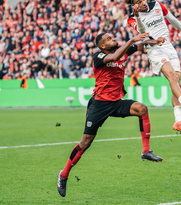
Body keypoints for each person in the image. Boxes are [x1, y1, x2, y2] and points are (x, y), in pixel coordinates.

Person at [57, 32, 165, 197]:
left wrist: (154, 41)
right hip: (99, 104)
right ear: (102, 46)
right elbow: (115, 57)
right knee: (85, 143)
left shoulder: (124, 51)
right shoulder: (98, 56)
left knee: (142, 109)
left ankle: (145, 151)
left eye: (113, 37)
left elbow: (141, 45)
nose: (113, 39)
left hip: (116, 102)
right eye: (109, 39)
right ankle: (63, 174)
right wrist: (130, 41)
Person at [123, 0, 181, 133]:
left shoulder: (157, 5)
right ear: (134, 6)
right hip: (154, 48)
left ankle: (178, 121)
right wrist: (137, 17)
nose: (143, 2)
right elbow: (143, 34)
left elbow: (172, 19)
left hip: (168, 46)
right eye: (138, 2)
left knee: (177, 82)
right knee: (172, 77)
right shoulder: (132, 18)